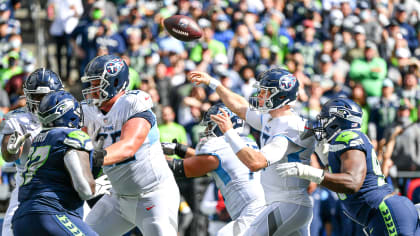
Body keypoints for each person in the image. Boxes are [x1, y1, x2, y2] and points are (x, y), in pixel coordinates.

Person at [189, 68, 316, 235]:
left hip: (287, 204)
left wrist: (229, 132)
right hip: (284, 204)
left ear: (281, 96)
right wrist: (213, 83)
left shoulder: (291, 127)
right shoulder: (274, 119)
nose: (260, 96)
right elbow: (240, 107)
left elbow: (256, 162)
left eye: (265, 92)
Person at [276, 97, 420, 235]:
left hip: (384, 211)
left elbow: (352, 182)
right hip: (381, 213)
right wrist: (327, 162)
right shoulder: (346, 141)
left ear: (337, 120)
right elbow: (343, 179)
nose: (322, 125)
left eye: (325, 119)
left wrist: (306, 171)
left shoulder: (347, 137)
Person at [81, 55, 179, 236]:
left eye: (97, 84)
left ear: (115, 82)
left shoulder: (134, 103)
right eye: (91, 83)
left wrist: (90, 157)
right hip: (118, 198)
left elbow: (128, 147)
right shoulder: (89, 111)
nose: (91, 89)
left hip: (154, 196)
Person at [163, 103, 266, 236]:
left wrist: (149, 158)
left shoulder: (220, 146)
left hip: (251, 214)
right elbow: (212, 160)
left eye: (211, 125)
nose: (207, 130)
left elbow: (185, 168)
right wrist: (179, 149)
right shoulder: (244, 142)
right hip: (259, 209)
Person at [12, 90, 98, 235]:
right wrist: (98, 185)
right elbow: (85, 190)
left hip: (21, 218)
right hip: (51, 213)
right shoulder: (72, 136)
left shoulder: (39, 138)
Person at [0, 68, 64, 236]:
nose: (41, 102)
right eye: (37, 96)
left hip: (63, 187)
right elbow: (7, 155)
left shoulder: (71, 112)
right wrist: (12, 149)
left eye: (46, 97)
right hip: (28, 188)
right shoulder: (17, 118)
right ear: (27, 95)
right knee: (9, 233)